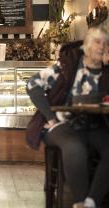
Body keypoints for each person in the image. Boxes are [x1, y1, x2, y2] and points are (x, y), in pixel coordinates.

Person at [26, 27, 109, 208]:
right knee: (74, 147)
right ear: (87, 45)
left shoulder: (106, 71)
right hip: (63, 124)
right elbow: (33, 84)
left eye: (105, 43)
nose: (102, 46)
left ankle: (91, 201)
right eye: (97, 41)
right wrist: (50, 118)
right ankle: (79, 201)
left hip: (95, 124)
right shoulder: (68, 66)